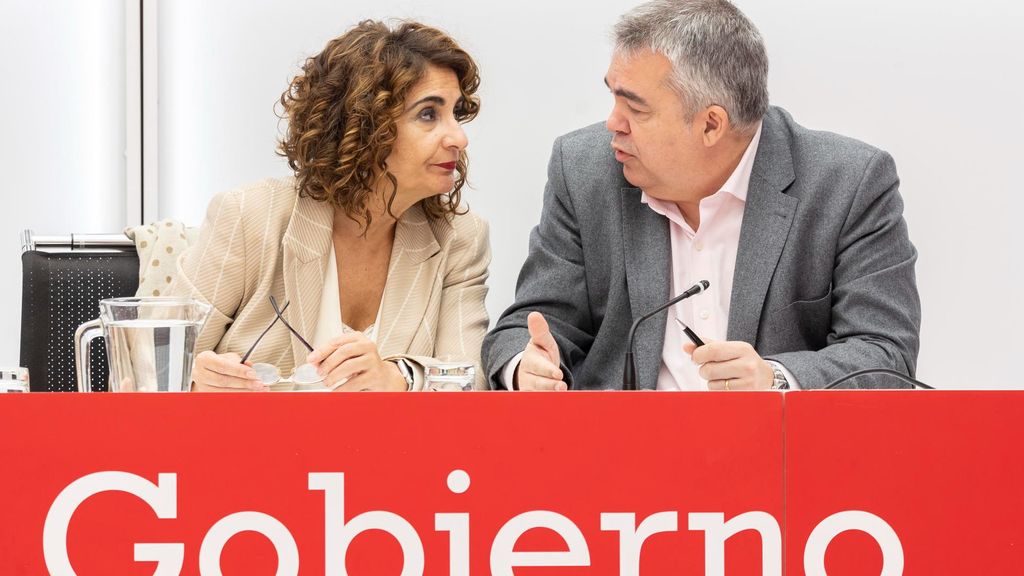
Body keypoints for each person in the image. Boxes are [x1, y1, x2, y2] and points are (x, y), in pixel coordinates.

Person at [483, 0, 920, 391]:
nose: (612, 124)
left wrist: (776, 379)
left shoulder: (848, 183)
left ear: (711, 124)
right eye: (613, 98)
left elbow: (884, 353)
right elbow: (533, 324)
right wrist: (526, 366)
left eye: (635, 109)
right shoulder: (584, 168)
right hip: (622, 459)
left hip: (776, 459)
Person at [171, 20, 490, 391]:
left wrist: (397, 378)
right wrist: (194, 383)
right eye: (428, 114)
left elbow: (469, 382)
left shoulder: (460, 237)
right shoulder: (249, 216)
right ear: (364, 125)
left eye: (456, 113)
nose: (459, 138)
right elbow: (147, 367)